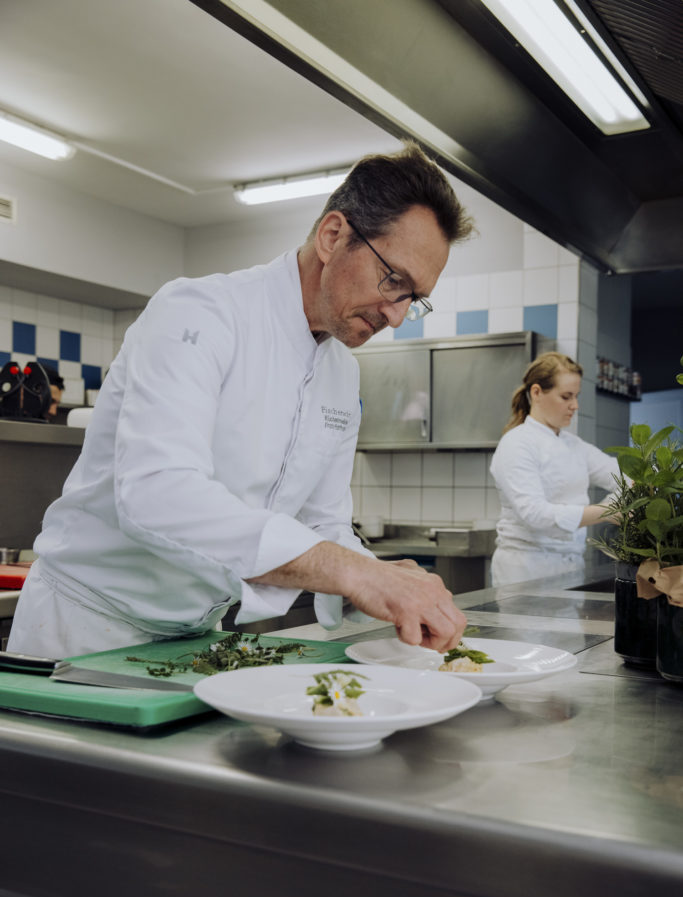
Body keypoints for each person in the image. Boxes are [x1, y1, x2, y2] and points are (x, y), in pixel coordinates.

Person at [8, 142, 475, 660]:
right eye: (394, 280)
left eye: (414, 299)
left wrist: (383, 583)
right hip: (82, 628)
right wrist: (355, 571)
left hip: (195, 637)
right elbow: (158, 493)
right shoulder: (200, 313)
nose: (394, 315)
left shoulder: (341, 372)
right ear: (332, 236)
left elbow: (324, 522)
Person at [489, 352, 619, 587]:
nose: (575, 406)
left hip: (571, 567)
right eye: (566, 397)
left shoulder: (574, 445)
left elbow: (617, 474)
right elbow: (535, 514)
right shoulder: (516, 443)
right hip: (525, 571)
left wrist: (644, 484)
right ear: (536, 392)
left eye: (576, 397)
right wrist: (608, 511)